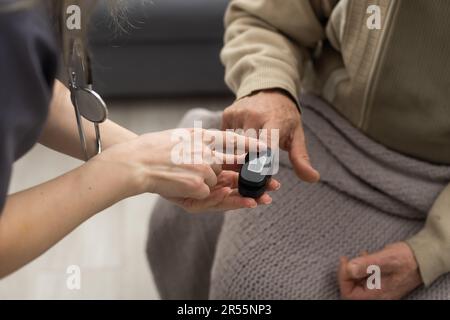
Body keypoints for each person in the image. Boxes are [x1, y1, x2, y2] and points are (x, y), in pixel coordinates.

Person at [147, 0, 450, 299]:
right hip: (321, 129)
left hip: (438, 188)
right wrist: (270, 87)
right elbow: (264, 19)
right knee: (221, 254)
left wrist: (429, 251)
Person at [0, 0, 279, 280]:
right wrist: (132, 167)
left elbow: (32, 85)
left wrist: (147, 154)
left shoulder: (23, 28)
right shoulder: (13, 28)